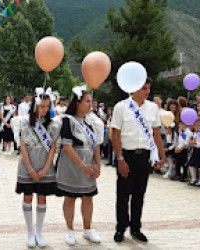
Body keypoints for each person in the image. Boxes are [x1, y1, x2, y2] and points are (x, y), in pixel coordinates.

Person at [111, 78, 165, 243]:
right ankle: (121, 228)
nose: (147, 91)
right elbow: (115, 134)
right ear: (134, 89)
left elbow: (156, 134)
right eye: (143, 88)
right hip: (127, 155)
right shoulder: (121, 107)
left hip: (144, 156)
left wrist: (162, 156)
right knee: (123, 194)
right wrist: (120, 158)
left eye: (148, 88)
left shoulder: (153, 108)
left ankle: (136, 228)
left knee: (139, 194)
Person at [55, 86, 104, 246]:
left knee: (88, 197)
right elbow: (67, 147)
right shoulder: (67, 120)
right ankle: (70, 230)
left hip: (88, 163)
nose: (91, 104)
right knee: (70, 197)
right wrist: (82, 164)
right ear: (77, 103)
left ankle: (88, 229)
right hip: (72, 164)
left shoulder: (91, 121)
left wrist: (97, 163)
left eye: (91, 101)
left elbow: (96, 144)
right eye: (87, 101)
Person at [11, 88, 58, 248]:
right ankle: (30, 232)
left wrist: (45, 169)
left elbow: (53, 147)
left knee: (42, 198)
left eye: (47, 106)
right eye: (41, 106)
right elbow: (22, 146)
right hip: (27, 165)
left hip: (45, 165)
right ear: (34, 106)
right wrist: (30, 168)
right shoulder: (24, 122)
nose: (44, 110)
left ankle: (39, 232)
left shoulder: (53, 124)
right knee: (28, 197)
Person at [187, 120, 200, 187]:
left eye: (198, 125)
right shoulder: (195, 133)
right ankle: (194, 179)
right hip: (195, 149)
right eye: (195, 125)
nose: (196, 127)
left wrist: (196, 143)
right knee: (191, 164)